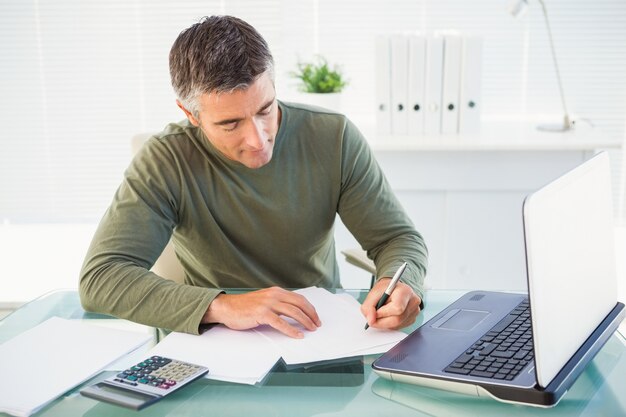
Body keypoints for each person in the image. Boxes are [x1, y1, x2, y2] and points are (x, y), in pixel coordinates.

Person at [79, 15, 428, 338]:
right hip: (217, 341)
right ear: (191, 114)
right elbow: (100, 277)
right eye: (230, 124)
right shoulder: (165, 160)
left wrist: (396, 282)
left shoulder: (332, 137)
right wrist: (223, 305)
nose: (258, 140)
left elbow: (396, 239)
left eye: (266, 109)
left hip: (320, 337)